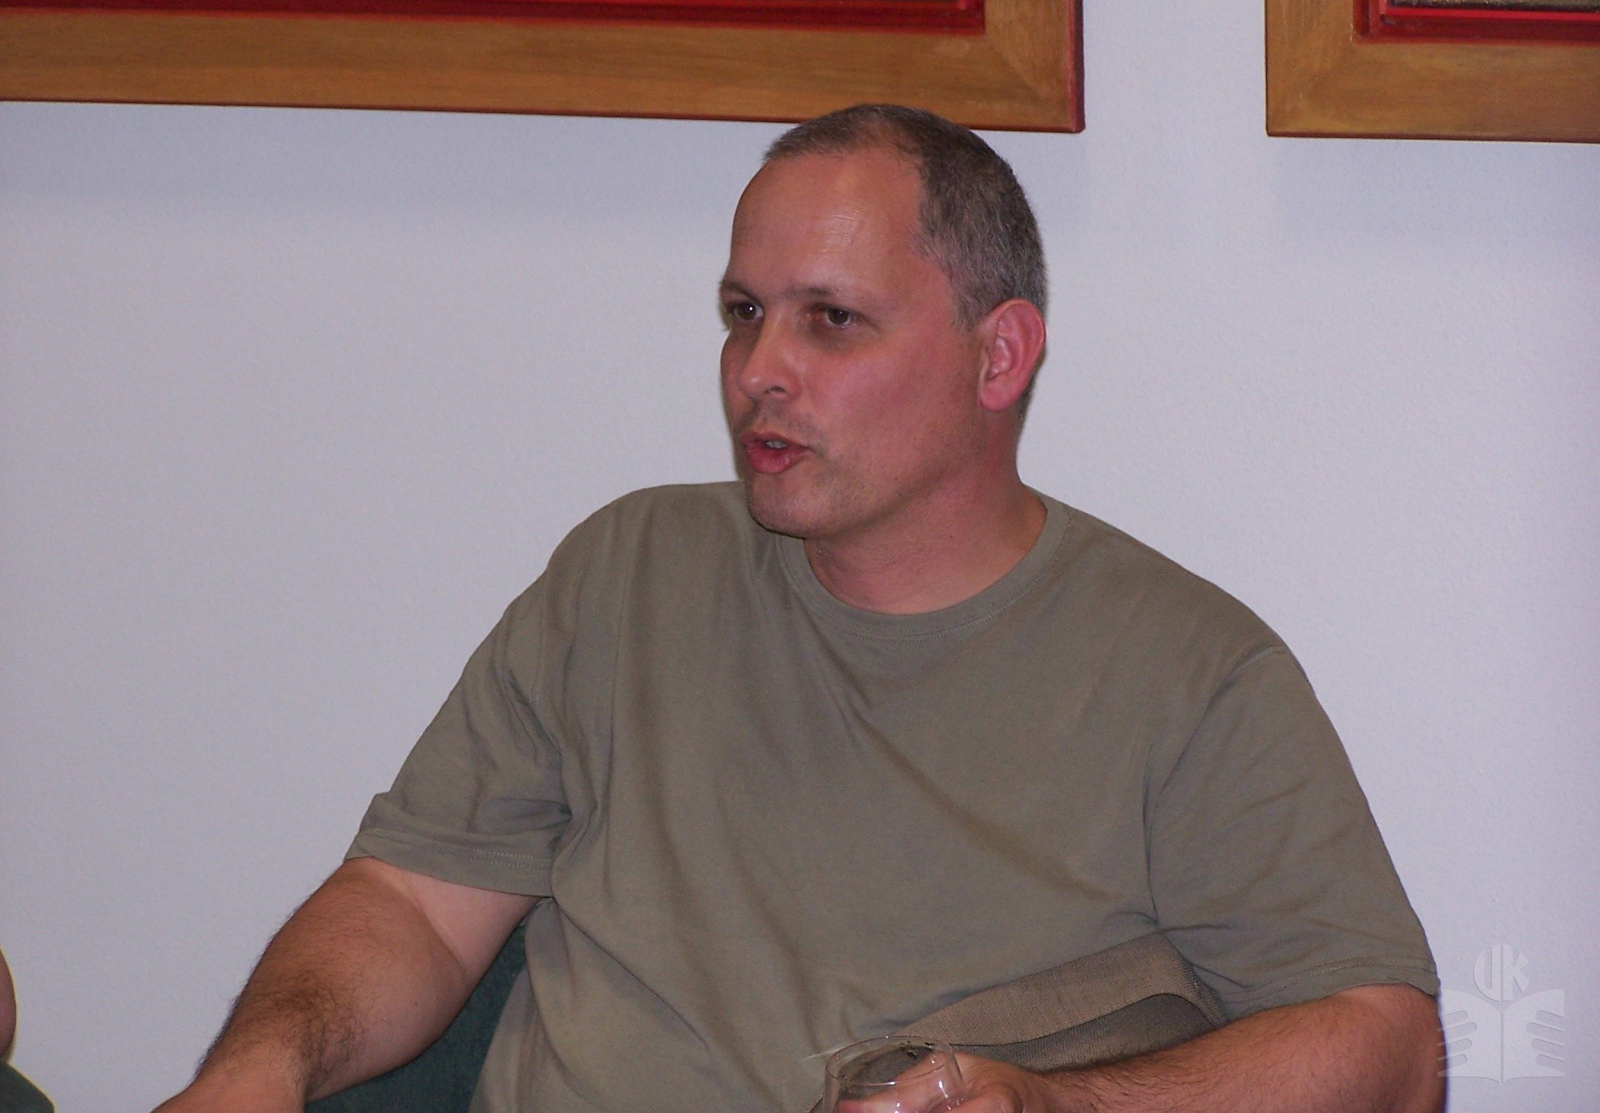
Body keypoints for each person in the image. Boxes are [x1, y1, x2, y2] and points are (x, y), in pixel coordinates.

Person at [157, 105, 1442, 1113]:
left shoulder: (1185, 671)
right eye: (744, 315)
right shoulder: (626, 575)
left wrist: (1064, 1104)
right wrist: (256, 1072)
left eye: (831, 321)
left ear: (998, 355)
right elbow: (412, 906)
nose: (758, 372)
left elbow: (1384, 1046)